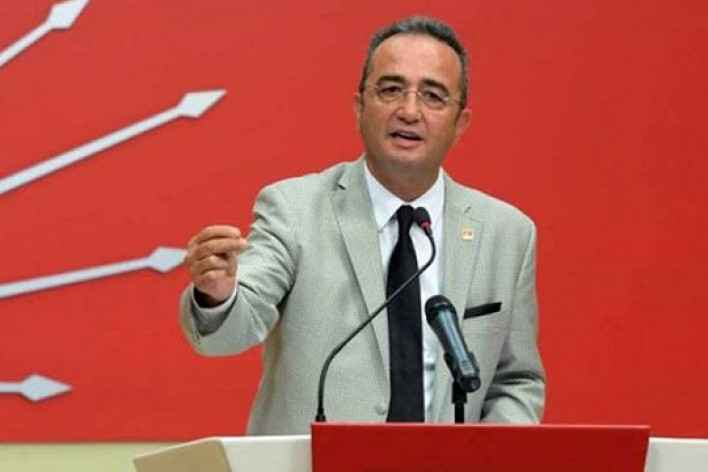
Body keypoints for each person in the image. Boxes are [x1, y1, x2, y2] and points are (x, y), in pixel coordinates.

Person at [180, 16, 545, 435]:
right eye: (390, 90)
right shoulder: (294, 209)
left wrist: (484, 457)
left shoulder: (507, 234)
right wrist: (218, 295)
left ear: (460, 123)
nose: (409, 111)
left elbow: (515, 381)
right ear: (359, 108)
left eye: (432, 96)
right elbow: (231, 329)